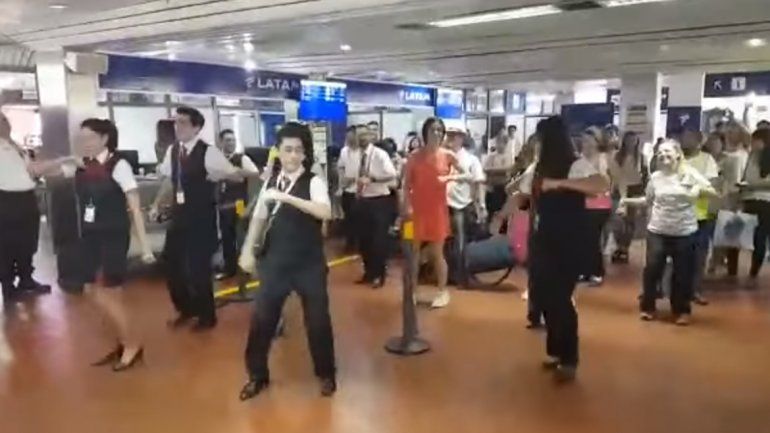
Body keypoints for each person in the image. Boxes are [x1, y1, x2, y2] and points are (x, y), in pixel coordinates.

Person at [238, 122, 336, 399]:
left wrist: (286, 197)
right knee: (262, 322)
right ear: (278, 152)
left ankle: (326, 374)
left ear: (305, 154)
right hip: (275, 263)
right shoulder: (270, 182)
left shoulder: (313, 181)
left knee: (317, 322)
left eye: (298, 151)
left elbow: (324, 212)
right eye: (287, 150)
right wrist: (247, 250)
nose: (292, 156)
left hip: (309, 265)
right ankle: (257, 375)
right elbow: (258, 218)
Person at [59, 119, 155, 371]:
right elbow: (40, 171)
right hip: (90, 236)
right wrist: (63, 160)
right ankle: (124, 341)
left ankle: (132, 344)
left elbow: (134, 207)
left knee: (108, 293)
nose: (84, 143)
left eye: (89, 138)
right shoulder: (84, 165)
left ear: (104, 139)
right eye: (81, 139)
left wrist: (145, 247)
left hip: (113, 236)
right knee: (92, 291)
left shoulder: (119, 165)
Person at [520, 116, 609, 382]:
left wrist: (560, 184)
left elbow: (600, 186)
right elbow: (521, 193)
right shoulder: (538, 168)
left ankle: (569, 357)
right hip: (542, 239)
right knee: (544, 297)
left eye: (541, 139)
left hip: (567, 241)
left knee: (560, 299)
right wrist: (502, 214)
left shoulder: (575, 165)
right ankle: (556, 351)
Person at [150, 106, 243, 331]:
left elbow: (236, 175)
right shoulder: (173, 150)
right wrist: (156, 204)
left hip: (201, 219)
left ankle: (206, 316)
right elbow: (169, 181)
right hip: (179, 217)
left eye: (183, 122)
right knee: (171, 265)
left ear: (196, 127)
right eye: (176, 122)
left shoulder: (209, 152)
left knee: (198, 269)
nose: (177, 127)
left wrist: (220, 175)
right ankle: (186, 308)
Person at [621, 140, 718, 326]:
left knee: (682, 273)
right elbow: (647, 200)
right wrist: (626, 201)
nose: (663, 155)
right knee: (652, 270)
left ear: (677, 154)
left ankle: (681, 310)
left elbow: (713, 192)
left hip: (685, 231)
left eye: (667, 152)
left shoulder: (689, 174)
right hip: (658, 230)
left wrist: (697, 190)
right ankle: (648, 307)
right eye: (660, 153)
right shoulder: (656, 177)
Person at [403, 117, 463, 308]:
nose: (436, 133)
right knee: (413, 253)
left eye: (439, 130)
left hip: (437, 211)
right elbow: (405, 185)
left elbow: (466, 174)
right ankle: (411, 290)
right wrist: (406, 207)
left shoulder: (448, 155)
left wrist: (449, 178)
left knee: (438, 253)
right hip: (416, 211)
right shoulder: (414, 157)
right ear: (425, 132)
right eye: (432, 130)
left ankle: (442, 291)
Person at [0, 111, 57, 303]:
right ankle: (8, 287)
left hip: (26, 199)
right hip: (6, 200)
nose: (5, 124)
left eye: (5, 120)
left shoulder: (15, 146)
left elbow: (33, 170)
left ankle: (26, 280)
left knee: (27, 241)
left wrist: (61, 161)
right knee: (7, 245)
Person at [342, 125, 397, 288]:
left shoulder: (380, 155)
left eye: (364, 135)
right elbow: (352, 174)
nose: (361, 138)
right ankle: (368, 273)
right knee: (363, 240)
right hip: (362, 199)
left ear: (371, 137)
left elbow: (392, 174)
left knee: (378, 240)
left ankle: (379, 275)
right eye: (359, 136)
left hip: (379, 200)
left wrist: (373, 178)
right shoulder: (354, 155)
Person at [681, 129, 720, 306]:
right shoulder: (676, 158)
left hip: (700, 215)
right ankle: (675, 290)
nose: (684, 141)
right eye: (683, 137)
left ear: (698, 141)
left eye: (688, 138)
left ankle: (695, 290)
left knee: (698, 256)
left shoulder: (707, 160)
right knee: (677, 256)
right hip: (677, 215)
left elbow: (712, 184)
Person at [215, 129, 261, 280]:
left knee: (242, 236)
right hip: (223, 204)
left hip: (239, 203)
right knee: (227, 238)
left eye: (233, 140)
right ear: (221, 142)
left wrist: (236, 172)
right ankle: (230, 269)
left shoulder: (242, 158)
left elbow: (255, 173)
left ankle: (246, 268)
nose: (231, 143)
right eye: (227, 140)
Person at [444, 126, 486, 288]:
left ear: (461, 138)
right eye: (449, 136)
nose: (450, 139)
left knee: (460, 241)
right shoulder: (442, 157)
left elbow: (479, 182)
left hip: (460, 205)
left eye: (454, 136)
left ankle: (462, 276)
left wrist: (481, 205)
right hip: (442, 204)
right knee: (444, 242)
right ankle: (448, 274)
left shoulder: (471, 159)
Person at [580, 127, 612, 286]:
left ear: (596, 141)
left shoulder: (601, 158)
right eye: (584, 140)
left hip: (599, 205)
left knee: (592, 238)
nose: (585, 143)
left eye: (589, 140)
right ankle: (585, 270)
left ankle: (596, 272)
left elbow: (604, 181)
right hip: (582, 203)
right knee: (583, 238)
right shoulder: (580, 158)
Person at [609, 131, 647, 264]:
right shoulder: (616, 156)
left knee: (630, 222)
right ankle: (619, 245)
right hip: (617, 190)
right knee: (617, 221)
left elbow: (645, 176)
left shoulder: (641, 157)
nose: (631, 143)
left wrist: (643, 193)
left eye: (634, 140)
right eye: (629, 140)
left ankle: (624, 248)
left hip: (634, 190)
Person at [742, 128, 770, 286]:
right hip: (751, 200)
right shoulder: (751, 156)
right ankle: (754, 266)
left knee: (760, 235)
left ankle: (755, 267)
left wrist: (751, 185)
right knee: (754, 236)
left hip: (764, 201)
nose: (752, 144)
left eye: (755, 140)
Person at [337, 125, 361, 252]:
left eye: (352, 136)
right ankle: (349, 243)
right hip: (346, 190)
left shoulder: (363, 152)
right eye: (348, 137)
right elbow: (340, 167)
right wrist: (342, 181)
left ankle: (358, 243)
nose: (350, 139)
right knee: (348, 218)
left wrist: (354, 178)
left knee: (358, 219)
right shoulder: (344, 151)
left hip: (360, 191)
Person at [483, 132, 515, 219]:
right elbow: (485, 168)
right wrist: (495, 171)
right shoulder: (492, 156)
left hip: (502, 186)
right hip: (491, 186)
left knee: (501, 209)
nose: (498, 145)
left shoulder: (508, 156)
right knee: (490, 209)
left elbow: (507, 169)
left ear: (505, 143)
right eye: (497, 142)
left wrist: (493, 170)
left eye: (500, 142)